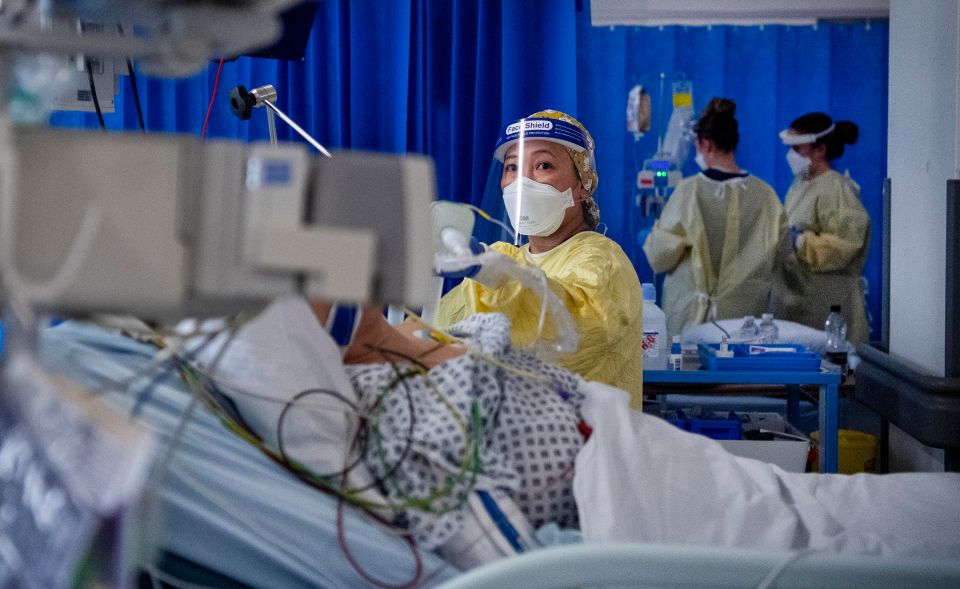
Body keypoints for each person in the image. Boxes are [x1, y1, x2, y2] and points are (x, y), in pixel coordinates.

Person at [434, 109, 644, 408]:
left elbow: (569, 330)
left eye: (543, 165)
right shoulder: (508, 259)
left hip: (586, 445)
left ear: (583, 185)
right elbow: (442, 328)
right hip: (517, 443)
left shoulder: (603, 259)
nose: (522, 182)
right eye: (512, 168)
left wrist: (491, 272)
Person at [643, 98, 792, 338]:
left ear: (706, 143)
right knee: (737, 374)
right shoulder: (766, 196)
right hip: (745, 321)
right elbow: (783, 256)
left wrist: (653, 238)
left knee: (689, 373)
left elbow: (659, 257)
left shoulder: (688, 191)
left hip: (691, 319)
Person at [774, 113, 870, 343]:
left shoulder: (835, 188)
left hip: (827, 304)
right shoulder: (800, 185)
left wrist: (799, 241)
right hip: (801, 298)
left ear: (820, 150)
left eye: (798, 149)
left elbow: (847, 244)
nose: (791, 155)